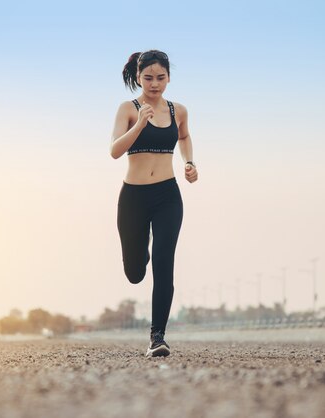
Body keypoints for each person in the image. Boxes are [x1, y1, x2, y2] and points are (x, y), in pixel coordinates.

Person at [110, 50, 198, 357]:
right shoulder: (128, 109)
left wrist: (189, 162)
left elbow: (184, 137)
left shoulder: (179, 111)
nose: (155, 84)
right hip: (133, 197)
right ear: (138, 78)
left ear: (169, 77)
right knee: (135, 271)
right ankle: (139, 255)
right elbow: (114, 151)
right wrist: (138, 125)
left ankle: (157, 337)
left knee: (165, 262)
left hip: (167, 196)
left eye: (161, 78)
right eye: (148, 78)